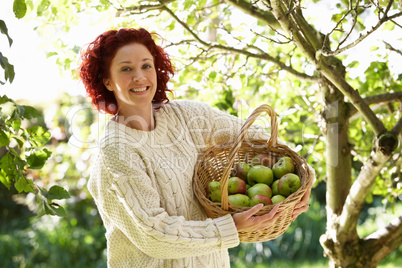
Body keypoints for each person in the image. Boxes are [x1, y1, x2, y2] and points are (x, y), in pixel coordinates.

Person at [79, 28, 314, 267]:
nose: (139, 76)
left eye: (146, 65)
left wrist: (302, 177)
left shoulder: (183, 116)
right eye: (126, 68)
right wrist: (230, 227)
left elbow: (258, 138)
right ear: (107, 80)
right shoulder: (116, 149)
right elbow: (154, 234)